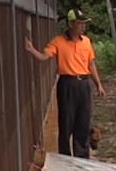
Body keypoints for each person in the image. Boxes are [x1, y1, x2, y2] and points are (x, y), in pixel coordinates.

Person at [25, 9, 106, 158]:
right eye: (79, 23)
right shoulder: (58, 42)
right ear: (70, 24)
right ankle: (65, 157)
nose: (83, 26)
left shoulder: (86, 42)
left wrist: (98, 84)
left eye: (84, 23)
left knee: (83, 120)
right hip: (67, 84)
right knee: (66, 121)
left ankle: (82, 157)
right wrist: (32, 50)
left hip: (84, 84)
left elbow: (91, 64)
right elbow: (44, 56)